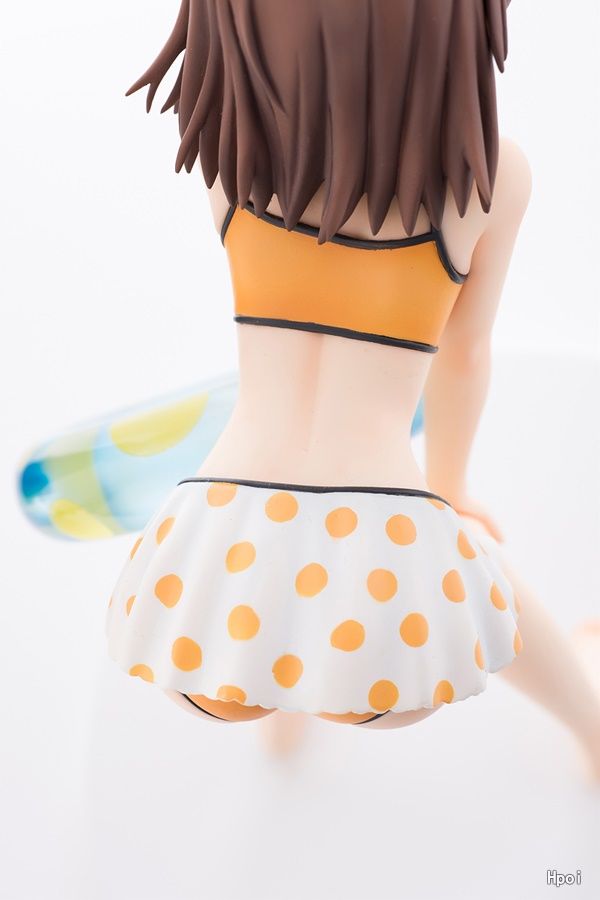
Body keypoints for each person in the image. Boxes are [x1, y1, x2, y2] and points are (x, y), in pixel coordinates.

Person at [106, 0, 600, 773]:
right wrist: (450, 491)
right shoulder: (489, 178)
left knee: (271, 600)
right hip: (383, 613)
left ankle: (277, 711)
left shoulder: (233, 156)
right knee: (471, 560)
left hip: (209, 588)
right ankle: (594, 729)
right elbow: (463, 356)